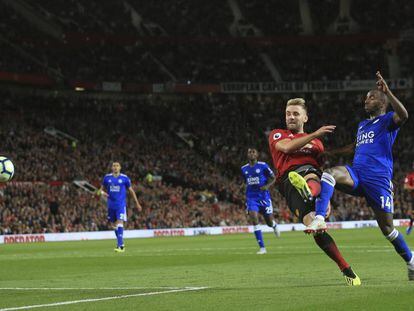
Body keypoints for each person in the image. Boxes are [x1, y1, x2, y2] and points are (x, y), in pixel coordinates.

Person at [296, 71, 413, 280]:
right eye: (366, 97)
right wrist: (331, 153)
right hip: (357, 174)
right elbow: (356, 147)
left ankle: (411, 261)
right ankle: (320, 218)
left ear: (383, 102)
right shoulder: (362, 125)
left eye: (372, 96)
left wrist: (388, 91)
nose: (366, 100)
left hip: (378, 181)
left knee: (388, 229)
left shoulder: (388, 120)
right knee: (330, 173)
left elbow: (404, 115)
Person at [268, 97, 361, 286]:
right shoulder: (278, 134)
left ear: (305, 118)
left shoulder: (318, 145)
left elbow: (323, 171)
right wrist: (314, 134)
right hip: (289, 181)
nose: (291, 117)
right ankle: (310, 195)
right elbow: (286, 148)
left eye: (295, 114)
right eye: (288, 114)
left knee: (314, 179)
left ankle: (346, 270)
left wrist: (326, 201)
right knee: (313, 224)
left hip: (312, 177)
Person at [241, 148, 280, 255]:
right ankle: (262, 248)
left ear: (257, 154)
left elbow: (273, 178)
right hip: (251, 198)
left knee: (269, 222)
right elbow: (245, 181)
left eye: (253, 152)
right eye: (249, 152)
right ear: (247, 154)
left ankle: (274, 225)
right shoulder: (244, 169)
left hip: (264, 198)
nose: (251, 154)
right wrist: (243, 188)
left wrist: (267, 186)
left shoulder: (263, 166)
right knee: (254, 218)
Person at [98, 162, 142, 252]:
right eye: (114, 166)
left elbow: (131, 191)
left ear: (120, 167)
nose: (115, 167)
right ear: (111, 168)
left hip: (120, 205)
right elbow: (100, 190)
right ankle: (121, 243)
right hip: (110, 205)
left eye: (117, 166)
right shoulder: (107, 178)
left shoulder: (125, 178)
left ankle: (120, 246)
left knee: (119, 222)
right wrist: (102, 193)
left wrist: (137, 203)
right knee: (114, 225)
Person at [404, 162, 414, 235]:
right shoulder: (410, 176)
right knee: (412, 214)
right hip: (413, 198)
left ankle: (410, 225)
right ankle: (410, 226)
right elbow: (406, 186)